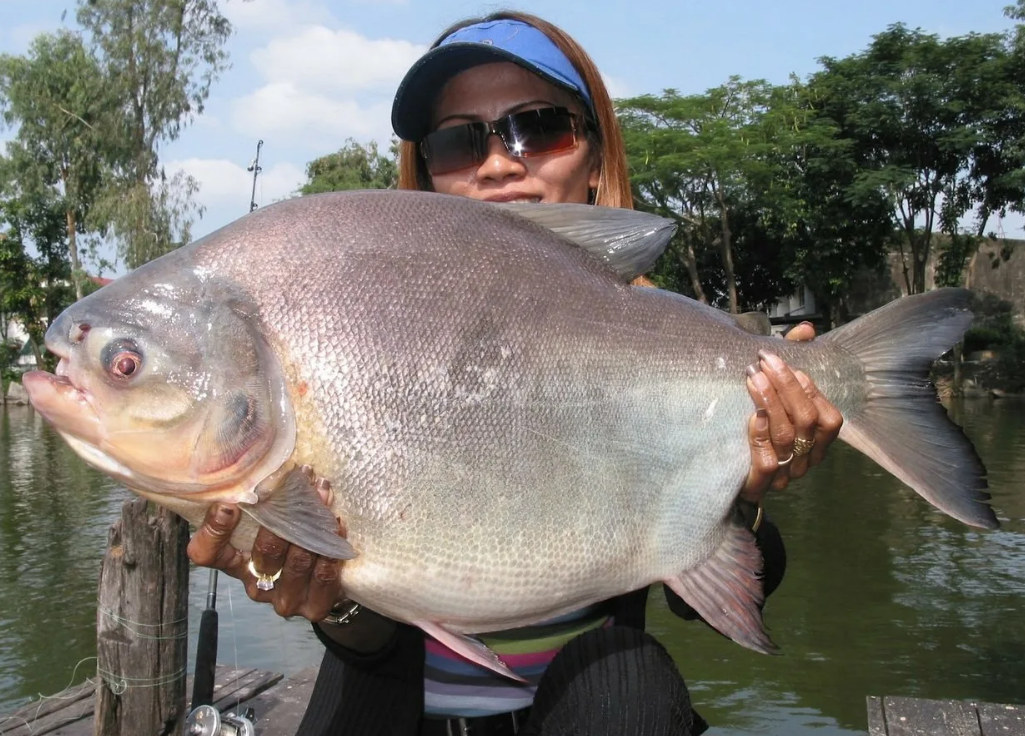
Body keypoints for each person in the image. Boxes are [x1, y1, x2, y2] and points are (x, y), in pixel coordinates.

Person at [188, 11, 843, 735]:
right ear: (425, 173)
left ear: (595, 158)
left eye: (539, 126)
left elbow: (703, 597)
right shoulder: (357, 337)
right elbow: (371, 640)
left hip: (593, 703)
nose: (499, 162)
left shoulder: (668, 336)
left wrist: (747, 488)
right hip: (391, 700)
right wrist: (326, 595)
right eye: (457, 140)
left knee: (627, 679)